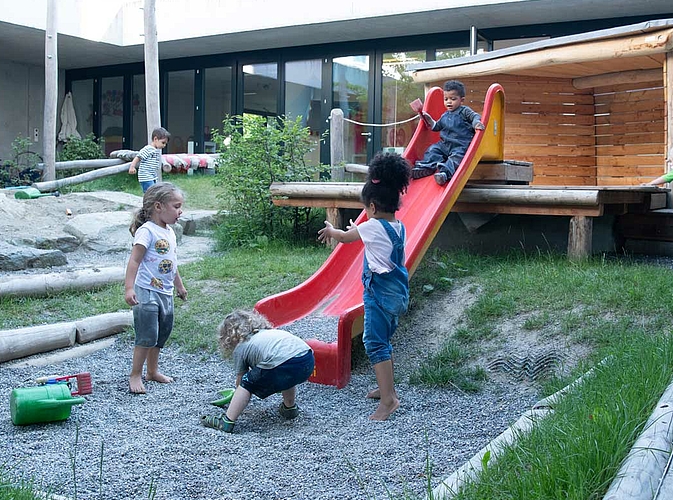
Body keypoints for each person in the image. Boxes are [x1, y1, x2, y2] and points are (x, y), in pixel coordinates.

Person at [317, 152, 411, 421]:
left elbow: (346, 238)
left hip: (378, 295)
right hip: (397, 294)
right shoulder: (398, 226)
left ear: (370, 206)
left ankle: (389, 400)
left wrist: (332, 231)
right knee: (384, 341)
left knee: (374, 343)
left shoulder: (371, 227)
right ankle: (385, 388)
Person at [200, 310, 315, 433]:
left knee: (247, 383)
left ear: (228, 337)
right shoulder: (269, 333)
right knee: (286, 371)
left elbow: (241, 381)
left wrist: (238, 394)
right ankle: (290, 408)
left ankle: (227, 421)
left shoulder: (241, 347)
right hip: (307, 359)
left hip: (283, 363)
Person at [124, 182, 189, 394]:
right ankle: (135, 374)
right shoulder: (147, 231)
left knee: (161, 333)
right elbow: (134, 261)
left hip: (165, 291)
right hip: (146, 291)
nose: (180, 211)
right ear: (158, 207)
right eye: (176, 206)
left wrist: (179, 286)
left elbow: (172, 262)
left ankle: (152, 371)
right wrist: (129, 288)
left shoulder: (169, 232)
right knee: (147, 334)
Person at [411, 80, 484, 186]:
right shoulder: (445, 115)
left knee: (456, 159)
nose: (449, 102)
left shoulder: (464, 111)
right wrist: (429, 119)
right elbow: (437, 127)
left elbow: (475, 116)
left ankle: (444, 174)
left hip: (460, 145)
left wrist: (476, 123)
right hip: (445, 145)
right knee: (433, 150)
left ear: (461, 100)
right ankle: (425, 167)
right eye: (446, 99)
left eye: (453, 99)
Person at [128, 127, 171, 193]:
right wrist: (132, 167)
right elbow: (138, 157)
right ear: (155, 139)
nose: (164, 145)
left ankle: (151, 202)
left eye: (165, 143)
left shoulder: (155, 150)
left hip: (152, 176)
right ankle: (148, 203)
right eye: (163, 143)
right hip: (146, 176)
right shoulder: (148, 149)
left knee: (153, 192)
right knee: (150, 193)